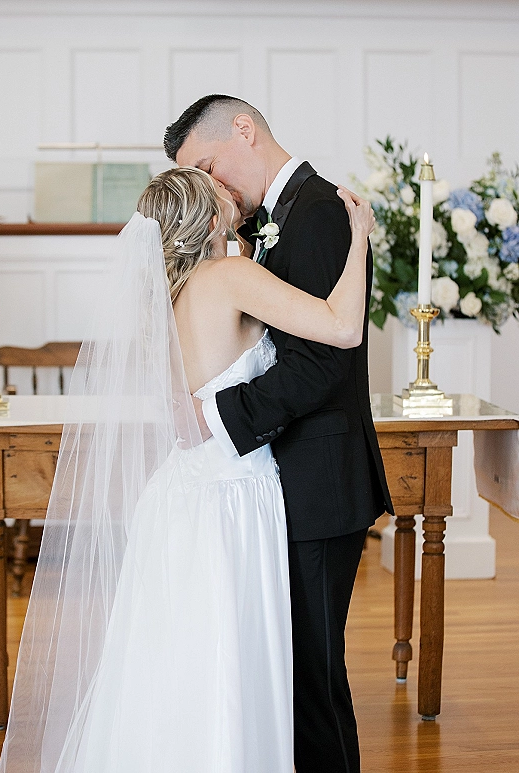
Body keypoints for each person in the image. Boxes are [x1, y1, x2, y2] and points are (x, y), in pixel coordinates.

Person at [0, 166, 374, 773]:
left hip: (179, 491)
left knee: (174, 663)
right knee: (231, 657)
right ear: (205, 213)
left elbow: (183, 407)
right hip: (231, 494)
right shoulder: (228, 277)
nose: (229, 189)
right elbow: (343, 327)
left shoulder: (166, 295)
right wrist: (358, 239)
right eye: (217, 190)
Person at [167, 95, 394, 773]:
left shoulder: (320, 212)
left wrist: (220, 417)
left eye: (207, 163)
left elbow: (324, 359)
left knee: (312, 676)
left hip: (317, 484)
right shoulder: (267, 226)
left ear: (245, 129)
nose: (213, 183)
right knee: (289, 671)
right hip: (281, 484)